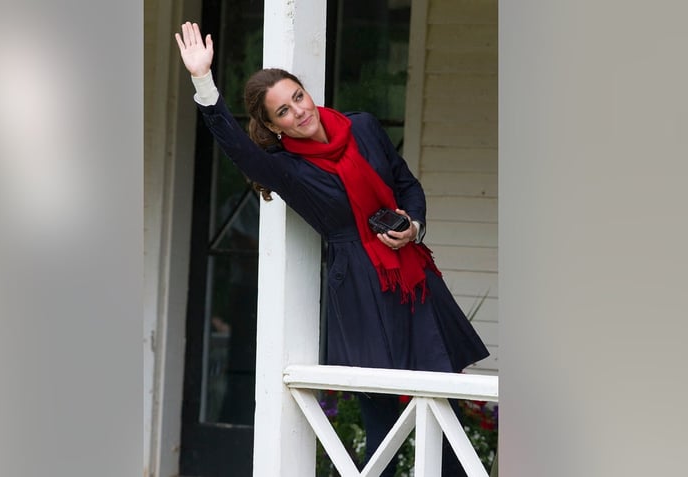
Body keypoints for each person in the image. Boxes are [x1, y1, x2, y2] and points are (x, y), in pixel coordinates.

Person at [176, 21, 490, 477]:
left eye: (298, 97)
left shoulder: (362, 127)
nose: (298, 112)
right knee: (382, 415)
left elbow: (405, 182)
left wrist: (413, 225)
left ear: (308, 93)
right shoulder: (285, 169)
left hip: (413, 278)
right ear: (271, 125)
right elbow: (235, 147)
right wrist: (203, 82)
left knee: (445, 405)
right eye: (282, 111)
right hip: (362, 287)